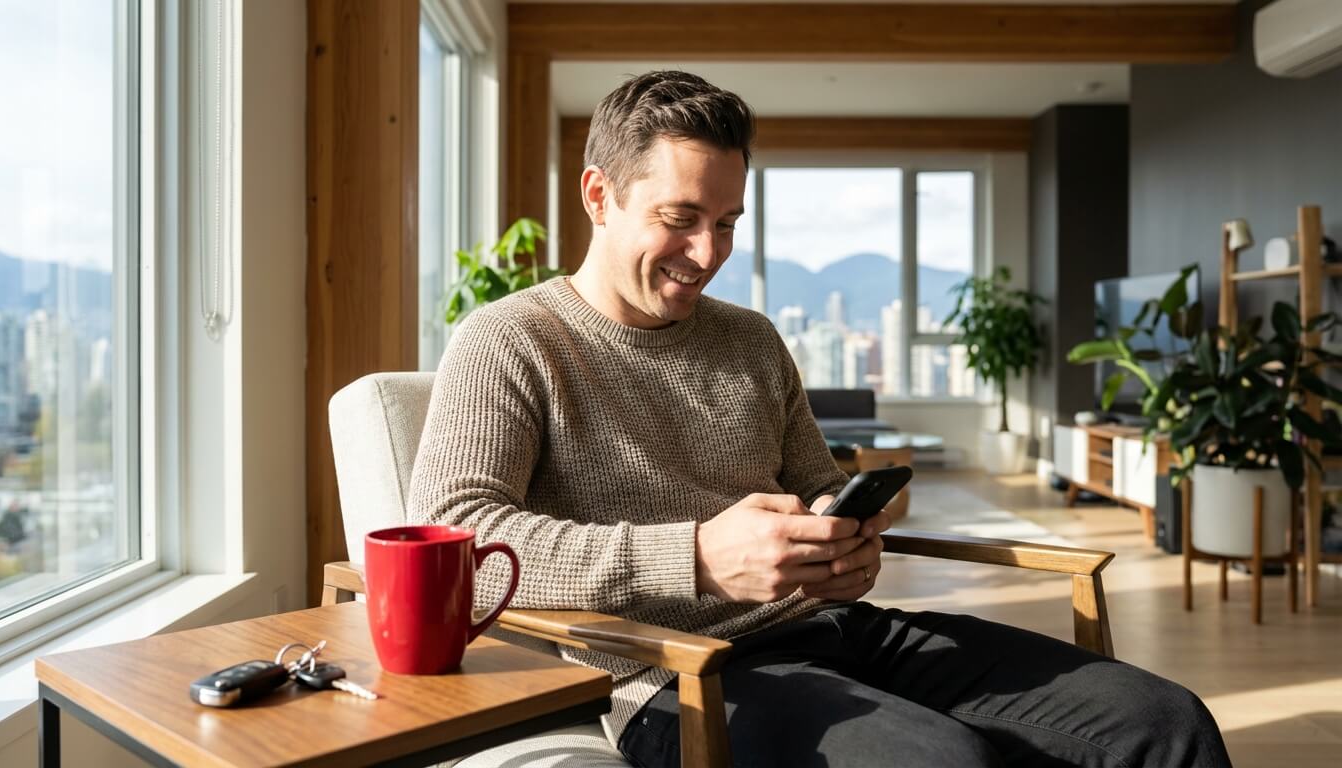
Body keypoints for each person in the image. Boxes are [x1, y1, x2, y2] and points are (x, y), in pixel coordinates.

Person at [408, 70, 1231, 767]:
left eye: (727, 224)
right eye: (680, 219)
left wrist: (844, 540)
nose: (708, 253)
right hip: (672, 674)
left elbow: (817, 484)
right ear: (600, 195)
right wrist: (695, 558)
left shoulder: (751, 340)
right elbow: (456, 544)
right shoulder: (510, 339)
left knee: (1165, 722)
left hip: (834, 630)